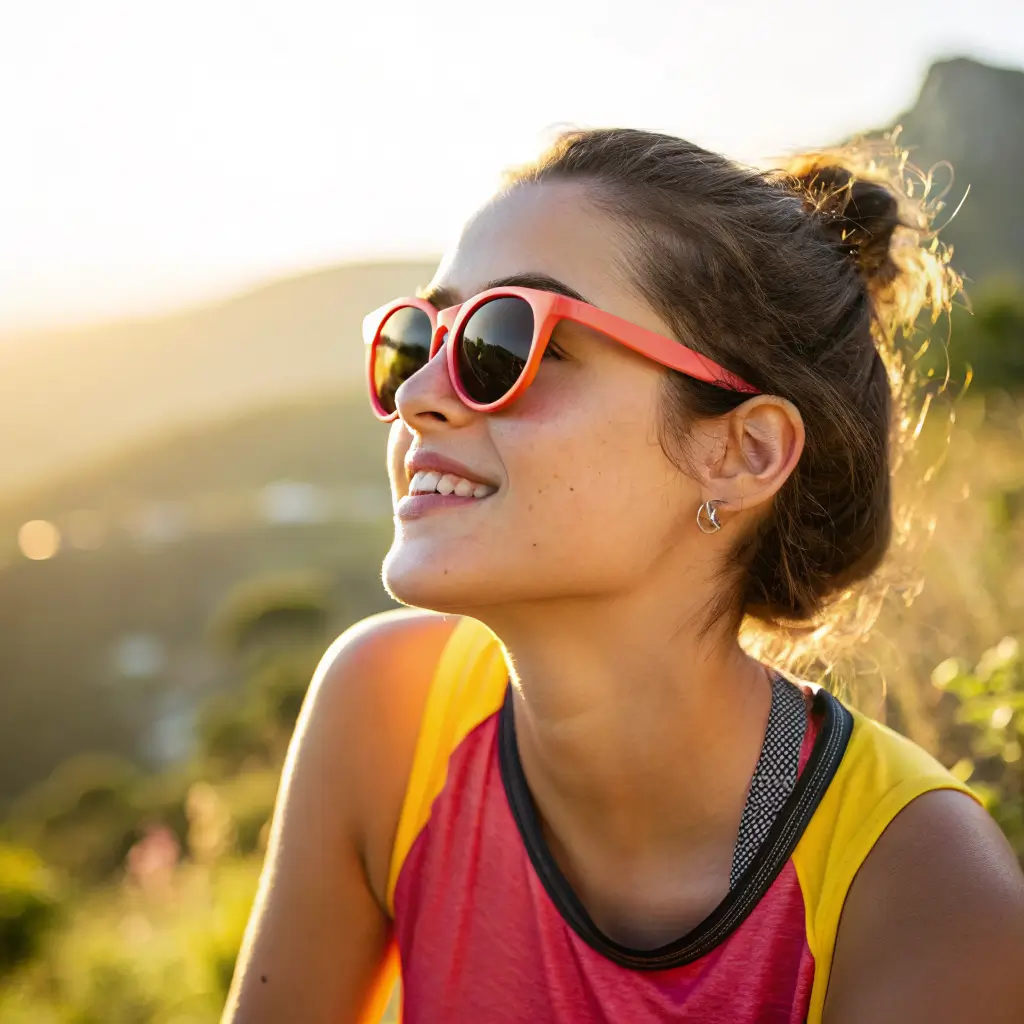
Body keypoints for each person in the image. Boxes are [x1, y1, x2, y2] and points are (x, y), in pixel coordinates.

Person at [222, 129, 1024, 1024]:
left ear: (741, 450)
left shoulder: (921, 892)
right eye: (419, 340)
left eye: (508, 341)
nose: (418, 395)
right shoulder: (387, 714)